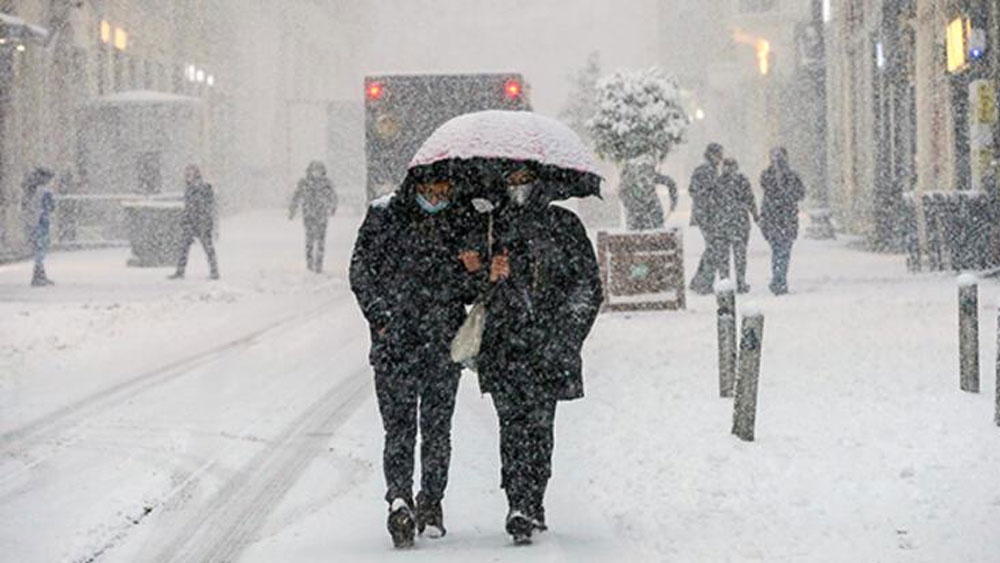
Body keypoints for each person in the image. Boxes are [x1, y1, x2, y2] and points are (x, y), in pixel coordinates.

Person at [462, 165, 603, 545]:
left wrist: (567, 334)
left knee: (540, 429)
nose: (518, 187)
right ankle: (518, 503)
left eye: (525, 179)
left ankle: (534, 497)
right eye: (511, 180)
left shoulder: (564, 225)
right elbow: (466, 286)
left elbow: (588, 285)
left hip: (548, 347)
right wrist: (487, 274)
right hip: (504, 346)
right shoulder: (489, 226)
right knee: (512, 426)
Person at [349, 163, 476, 548]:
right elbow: (360, 270)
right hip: (396, 345)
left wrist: (471, 269)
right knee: (400, 429)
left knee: (437, 430)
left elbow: (469, 291)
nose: (438, 196)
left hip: (442, 343)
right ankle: (399, 499)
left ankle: (431, 501)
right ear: (417, 183)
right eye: (433, 188)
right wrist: (382, 318)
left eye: (445, 189)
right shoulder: (385, 215)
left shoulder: (460, 218)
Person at [759, 147, 806, 295]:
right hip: (784, 219)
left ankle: (778, 280)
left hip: (775, 219)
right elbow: (800, 194)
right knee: (783, 252)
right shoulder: (790, 176)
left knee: (778, 252)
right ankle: (779, 280)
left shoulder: (768, 176)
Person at [169, 165, 219, 280]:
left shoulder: (201, 188)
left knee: (207, 248)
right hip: (192, 223)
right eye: (187, 174)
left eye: (190, 174)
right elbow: (190, 207)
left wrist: (202, 220)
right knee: (185, 248)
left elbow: (203, 207)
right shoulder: (190, 189)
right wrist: (186, 221)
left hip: (201, 223)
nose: (187, 176)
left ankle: (214, 271)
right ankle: (180, 271)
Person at [716, 158, 758, 293]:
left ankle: (725, 283)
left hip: (723, 223)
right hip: (739, 222)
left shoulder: (718, 182)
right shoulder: (742, 181)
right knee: (740, 255)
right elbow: (750, 199)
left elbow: (712, 203)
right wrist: (755, 215)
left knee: (724, 256)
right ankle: (740, 282)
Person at [688, 143, 725, 294]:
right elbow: (697, 191)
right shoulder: (707, 170)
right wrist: (709, 201)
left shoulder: (708, 169)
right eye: (719, 154)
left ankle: (699, 281)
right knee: (714, 249)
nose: (721, 158)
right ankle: (703, 283)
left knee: (712, 248)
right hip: (707, 215)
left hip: (706, 214)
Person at [289, 161, 337, 273]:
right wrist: (292, 209)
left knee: (321, 240)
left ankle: (319, 264)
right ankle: (310, 263)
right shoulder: (304, 183)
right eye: (314, 170)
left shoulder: (326, 183)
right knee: (310, 239)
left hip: (321, 215)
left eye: (319, 170)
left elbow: (333, 196)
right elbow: (296, 196)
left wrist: (333, 207)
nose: (316, 173)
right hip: (309, 215)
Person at [619, 155, 678, 231]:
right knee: (654, 232)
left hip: (643, 212)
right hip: (643, 212)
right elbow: (670, 183)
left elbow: (670, 183)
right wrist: (673, 202)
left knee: (639, 234)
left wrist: (673, 202)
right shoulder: (630, 180)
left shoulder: (629, 179)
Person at [21, 167, 56, 287]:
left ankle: (39, 274)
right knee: (41, 249)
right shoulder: (44, 191)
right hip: (41, 222)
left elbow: (25, 206)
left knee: (37, 249)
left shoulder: (30, 190)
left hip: (33, 222)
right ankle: (38, 275)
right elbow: (51, 207)